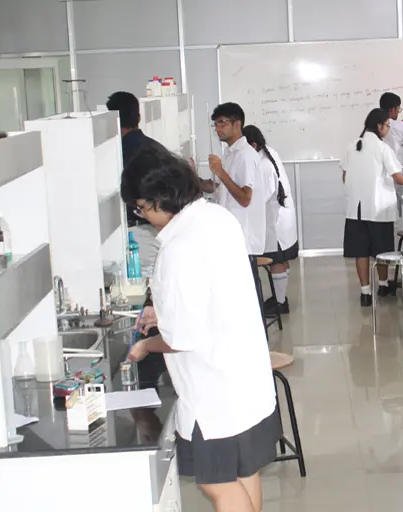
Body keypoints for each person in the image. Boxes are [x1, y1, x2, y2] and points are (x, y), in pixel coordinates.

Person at [122, 149, 279, 512]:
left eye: (142, 208)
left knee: (217, 482)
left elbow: (182, 338)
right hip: (244, 372)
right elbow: (211, 292)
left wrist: (146, 346)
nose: (144, 217)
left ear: (159, 199)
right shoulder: (215, 216)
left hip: (214, 389)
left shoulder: (178, 248)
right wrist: (164, 312)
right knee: (243, 470)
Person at [342, 108, 403, 307]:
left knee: (361, 251)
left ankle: (365, 293)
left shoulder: (352, 146)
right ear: (379, 126)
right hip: (378, 209)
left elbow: (345, 176)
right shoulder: (382, 148)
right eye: (387, 125)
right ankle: (383, 286)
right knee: (381, 250)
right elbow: (399, 178)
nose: (387, 129)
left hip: (355, 210)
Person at [106, 91, 171, 274]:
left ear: (114, 120)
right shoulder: (156, 147)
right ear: (139, 117)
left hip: (138, 234)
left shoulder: (116, 154)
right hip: (159, 230)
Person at [243, 125, 298, 316]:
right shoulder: (268, 152)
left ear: (253, 145)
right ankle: (279, 297)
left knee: (276, 261)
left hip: (276, 222)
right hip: (282, 218)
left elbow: (260, 197)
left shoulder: (263, 165)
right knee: (281, 259)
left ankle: (280, 303)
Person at [201, 102, 266, 257]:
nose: (217, 129)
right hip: (231, 233)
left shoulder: (246, 155)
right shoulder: (230, 153)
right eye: (215, 124)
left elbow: (245, 199)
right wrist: (190, 175)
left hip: (244, 238)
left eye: (222, 123)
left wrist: (220, 171)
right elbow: (214, 186)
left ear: (237, 124)